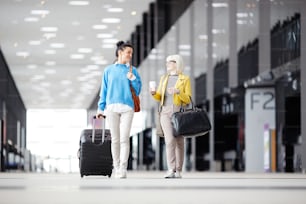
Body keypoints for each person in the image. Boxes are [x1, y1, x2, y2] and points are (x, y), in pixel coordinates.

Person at [96, 41, 142, 179]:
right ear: (120, 52)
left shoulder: (133, 70)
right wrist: (100, 108)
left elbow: (138, 90)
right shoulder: (108, 70)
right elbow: (103, 91)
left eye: (131, 53)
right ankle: (116, 167)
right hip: (111, 108)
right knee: (115, 139)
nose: (130, 55)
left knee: (124, 138)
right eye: (128, 52)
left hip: (128, 107)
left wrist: (133, 79)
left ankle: (123, 167)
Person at [150, 54, 192, 178]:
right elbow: (159, 96)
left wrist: (178, 92)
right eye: (167, 62)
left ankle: (178, 170)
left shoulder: (185, 79)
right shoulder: (164, 78)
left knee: (179, 141)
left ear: (176, 63)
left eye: (169, 62)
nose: (167, 64)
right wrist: (154, 93)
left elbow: (188, 99)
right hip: (164, 111)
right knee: (169, 140)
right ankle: (171, 169)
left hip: (178, 111)